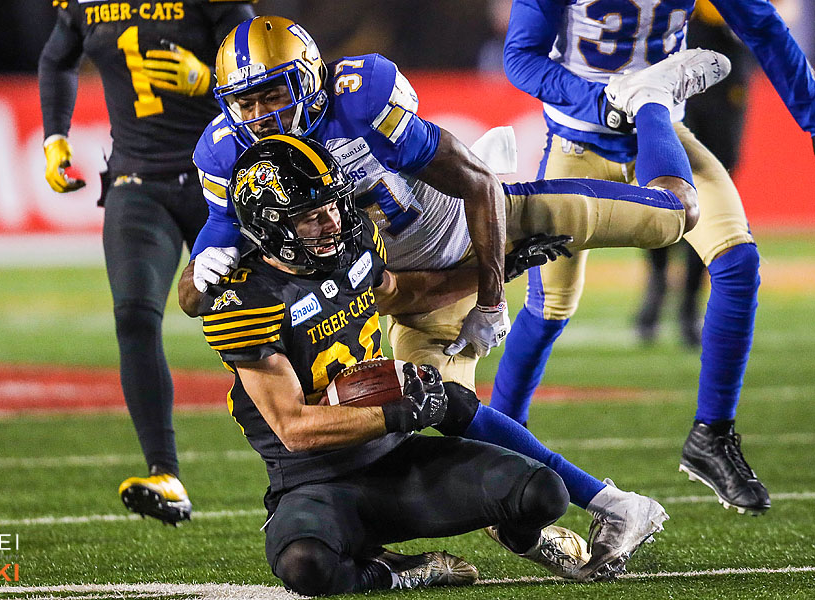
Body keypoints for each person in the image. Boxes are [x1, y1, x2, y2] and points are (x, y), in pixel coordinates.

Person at [178, 16, 729, 580]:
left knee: (673, 215)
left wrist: (491, 292)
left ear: (310, 79)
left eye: (271, 94)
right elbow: (196, 291)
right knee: (432, 413)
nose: (259, 116)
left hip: (479, 227)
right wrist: (202, 273)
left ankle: (652, 99)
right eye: (243, 103)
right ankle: (598, 514)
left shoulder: (360, 99)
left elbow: (476, 184)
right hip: (412, 284)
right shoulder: (233, 159)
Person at [196, 133, 643, 594]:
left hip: (395, 457)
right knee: (305, 565)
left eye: (333, 205)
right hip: (316, 483)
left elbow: (406, 293)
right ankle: (398, 570)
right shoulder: (245, 300)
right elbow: (294, 428)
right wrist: (402, 412)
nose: (332, 222)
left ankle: (525, 538)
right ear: (270, 227)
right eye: (312, 216)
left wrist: (493, 271)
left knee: (544, 494)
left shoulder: (353, 247)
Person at [498, 0, 815, 517]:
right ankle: (502, 441)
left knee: (738, 263)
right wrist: (601, 101)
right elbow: (522, 57)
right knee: (550, 306)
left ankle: (711, 436)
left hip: (660, 136)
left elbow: (761, 26)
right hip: (579, 142)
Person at [38, 0, 255, 525]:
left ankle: (329, 451)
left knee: (277, 315)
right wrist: (55, 136)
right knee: (134, 317)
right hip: (138, 182)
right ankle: (165, 472)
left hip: (221, 180)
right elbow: (56, 59)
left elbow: (267, 70)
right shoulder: (85, 6)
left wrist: (207, 80)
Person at [635, 0, 756, 348]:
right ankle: (657, 283)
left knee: (709, 198)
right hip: (675, 85)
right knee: (662, 190)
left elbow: (777, 13)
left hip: (726, 85)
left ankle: (689, 303)